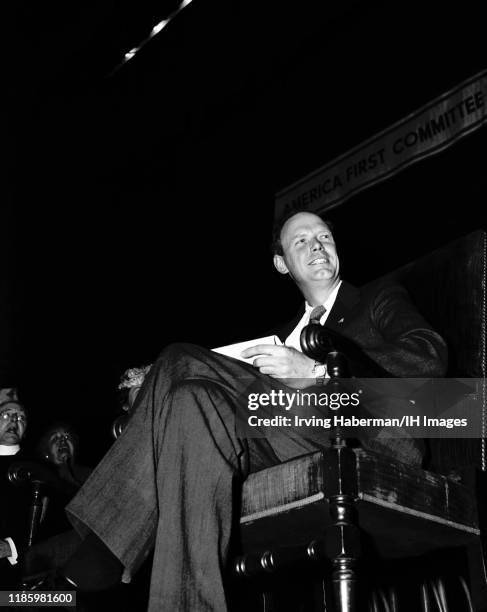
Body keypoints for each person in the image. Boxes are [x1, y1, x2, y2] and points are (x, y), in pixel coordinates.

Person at [60, 211, 447, 610]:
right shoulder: (284, 334)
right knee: (191, 401)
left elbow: (428, 357)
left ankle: (105, 545)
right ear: (281, 263)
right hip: (282, 438)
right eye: (301, 241)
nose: (316, 245)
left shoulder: (378, 298)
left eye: (324, 236)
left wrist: (316, 372)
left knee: (177, 358)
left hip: (359, 433)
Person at [0, 389, 32, 588]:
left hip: (14, 580)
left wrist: (10, 547)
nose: (14, 420)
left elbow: (53, 526)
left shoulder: (36, 471)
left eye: (20, 417)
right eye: (6, 414)